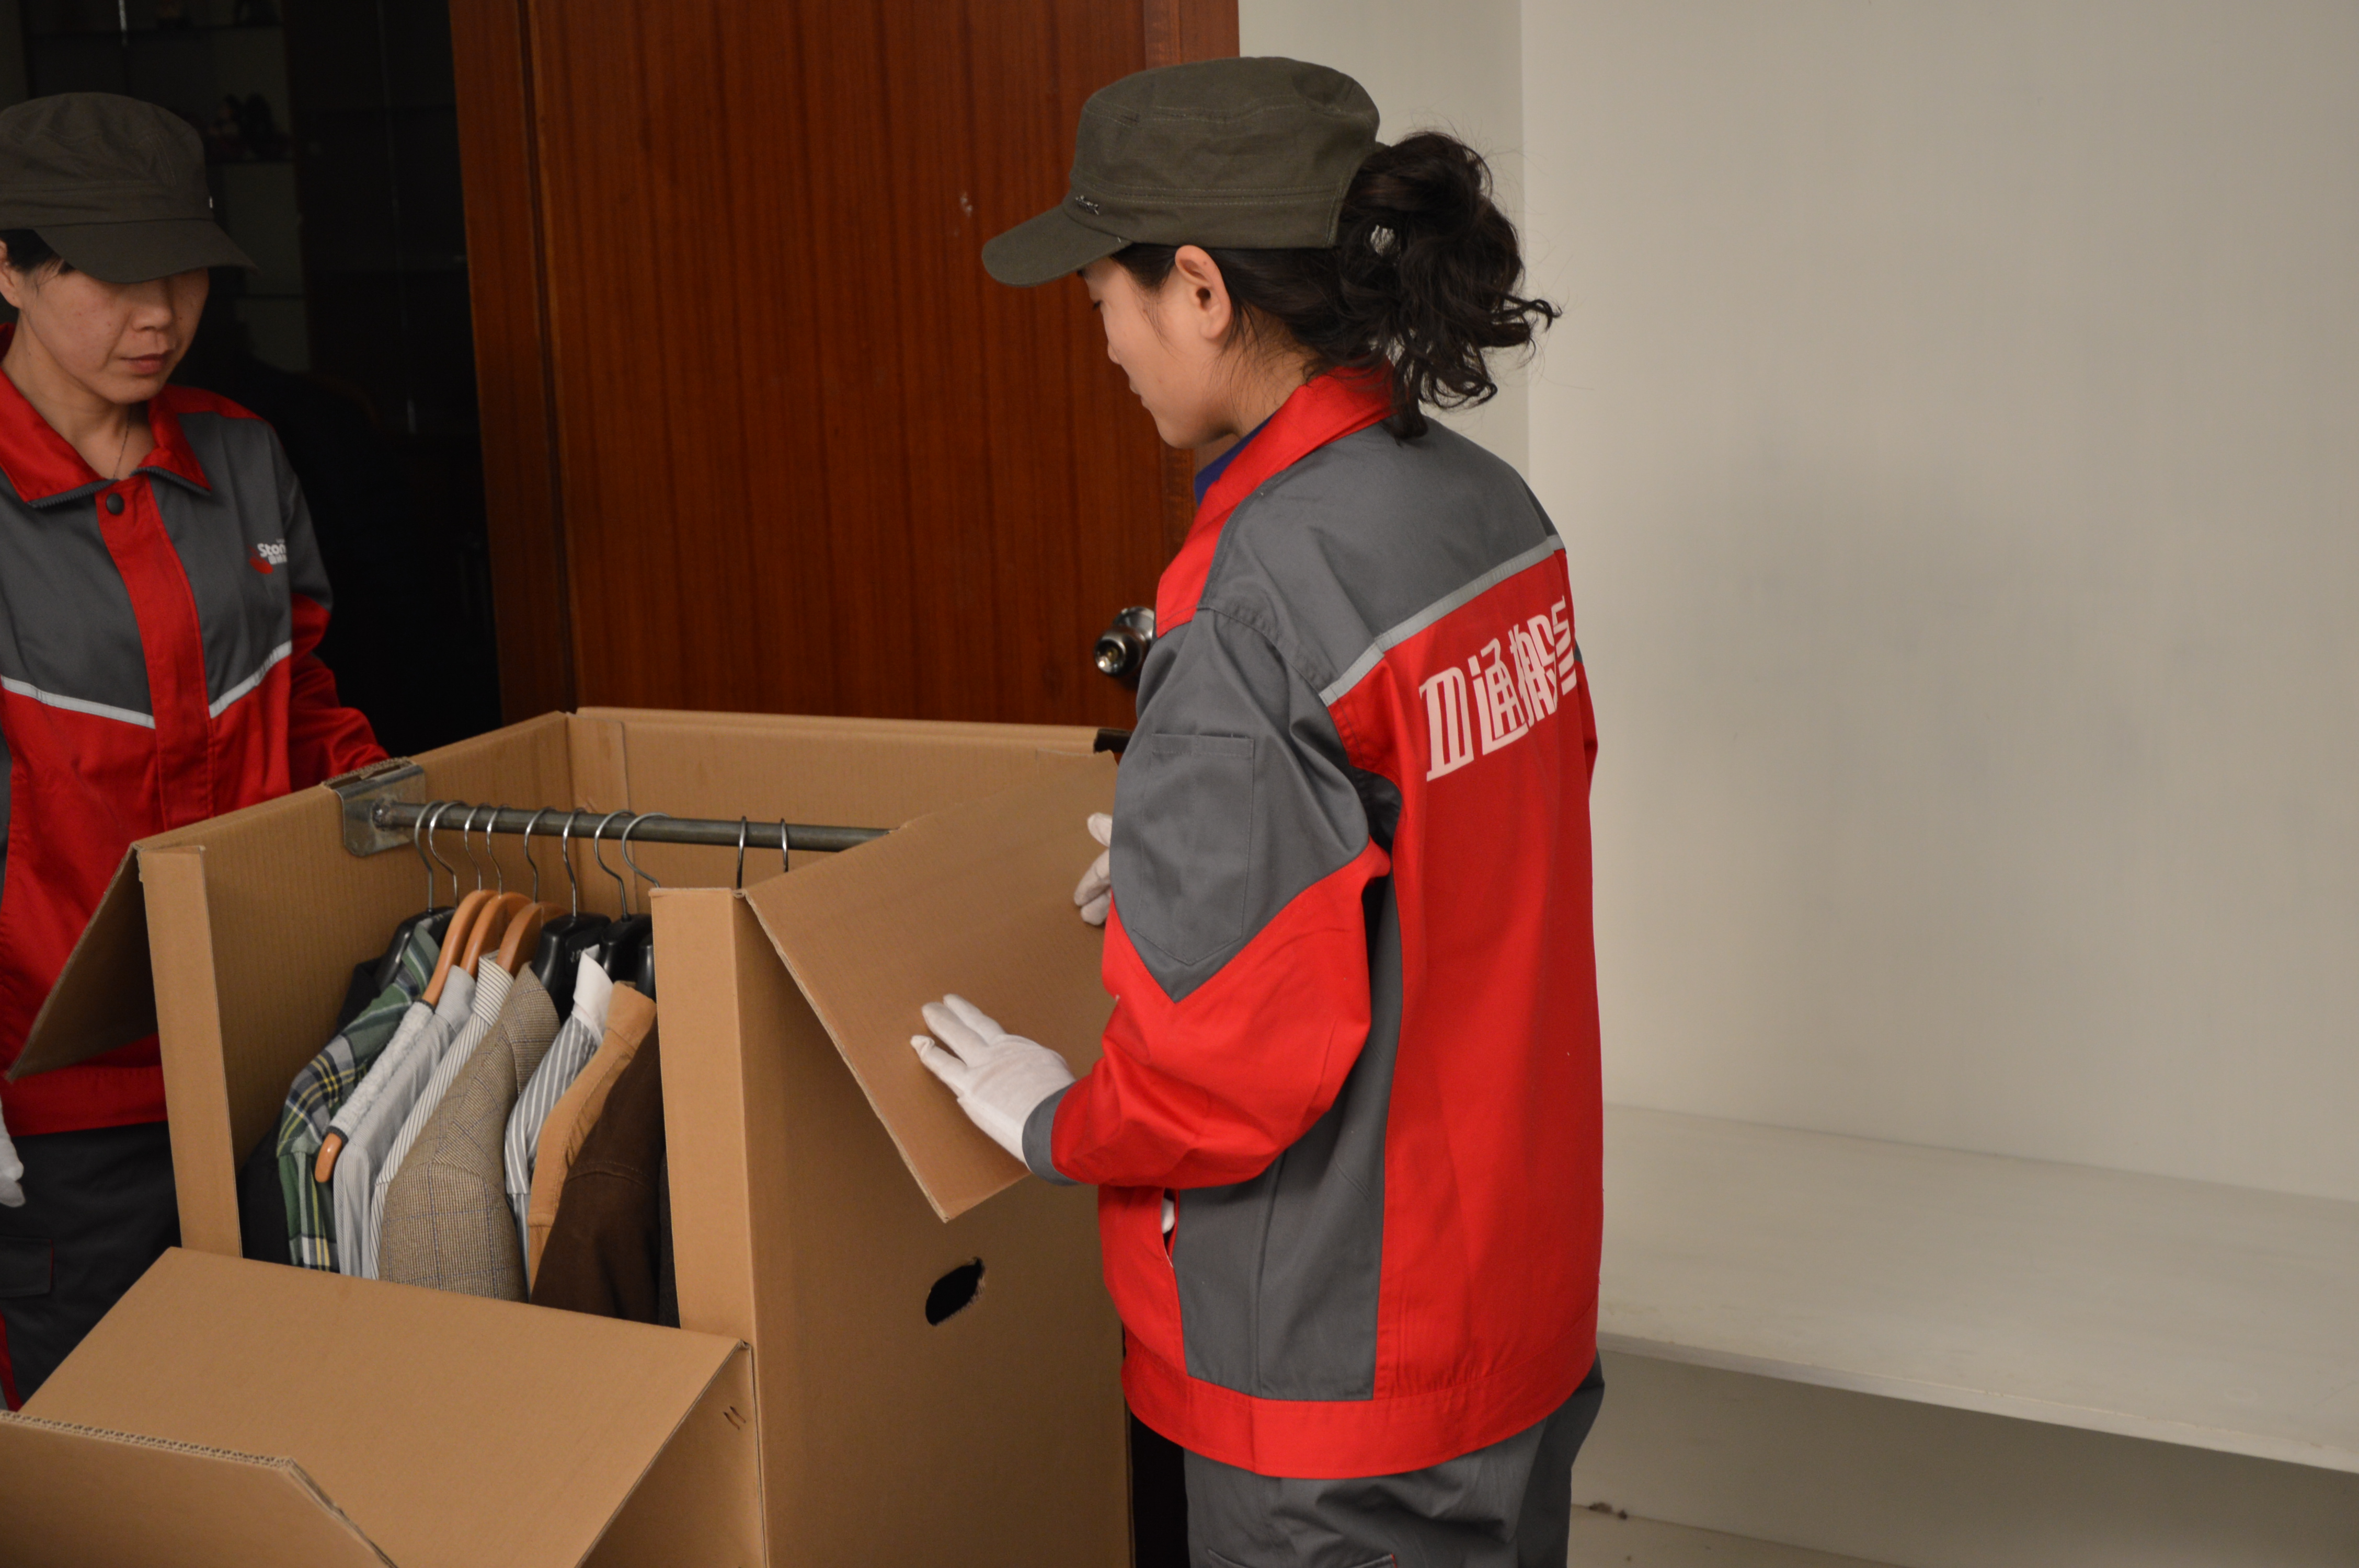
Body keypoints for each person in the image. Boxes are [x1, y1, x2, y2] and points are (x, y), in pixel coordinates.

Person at [913, 58, 1604, 1567]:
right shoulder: (1492, 512)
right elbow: (1479, 836)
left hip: (1336, 1381)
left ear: (1203, 290)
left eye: (1104, 294)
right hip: (1516, 1305)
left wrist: (1054, 1120)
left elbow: (1217, 1080)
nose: (1104, 338)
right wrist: (1213, 856)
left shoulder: (1254, 600)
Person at [0, 93, 384, 1407]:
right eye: (108, 276)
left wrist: (400, 836)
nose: (158, 313)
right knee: (101, 1432)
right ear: (8, 269)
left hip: (267, 1051)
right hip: (61, 1100)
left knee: (283, 1401)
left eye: (184, 273)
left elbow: (305, 698)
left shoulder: (243, 454)